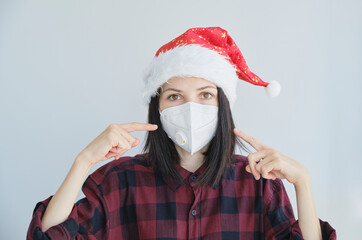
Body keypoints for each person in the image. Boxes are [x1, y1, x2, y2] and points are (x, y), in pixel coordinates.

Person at [27, 26, 337, 239]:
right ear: (157, 109)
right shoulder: (119, 181)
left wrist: (302, 183)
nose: (190, 108)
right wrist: (83, 161)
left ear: (223, 107)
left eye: (205, 95)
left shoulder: (257, 183)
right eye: (174, 96)